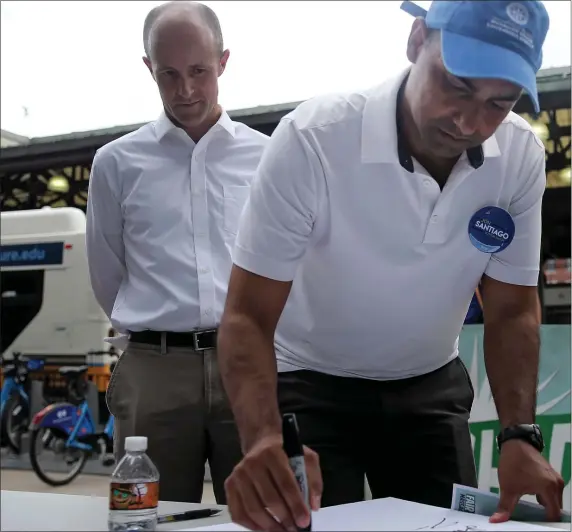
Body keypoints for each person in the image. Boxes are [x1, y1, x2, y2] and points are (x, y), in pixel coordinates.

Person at [217, 1, 565, 530]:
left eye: (501, 102)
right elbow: (247, 315)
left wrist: (519, 434)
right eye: (457, 84)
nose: (470, 122)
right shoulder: (315, 139)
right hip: (311, 380)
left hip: (429, 383)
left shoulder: (518, 156)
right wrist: (264, 436)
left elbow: (513, 308)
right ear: (417, 38)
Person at [86, 0, 268, 504]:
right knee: (148, 517)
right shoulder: (116, 164)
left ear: (224, 62)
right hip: (154, 372)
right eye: (168, 73)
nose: (185, 89)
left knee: (261, 513)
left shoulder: (267, 158)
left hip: (250, 363)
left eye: (199, 71)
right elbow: (107, 273)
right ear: (148, 68)